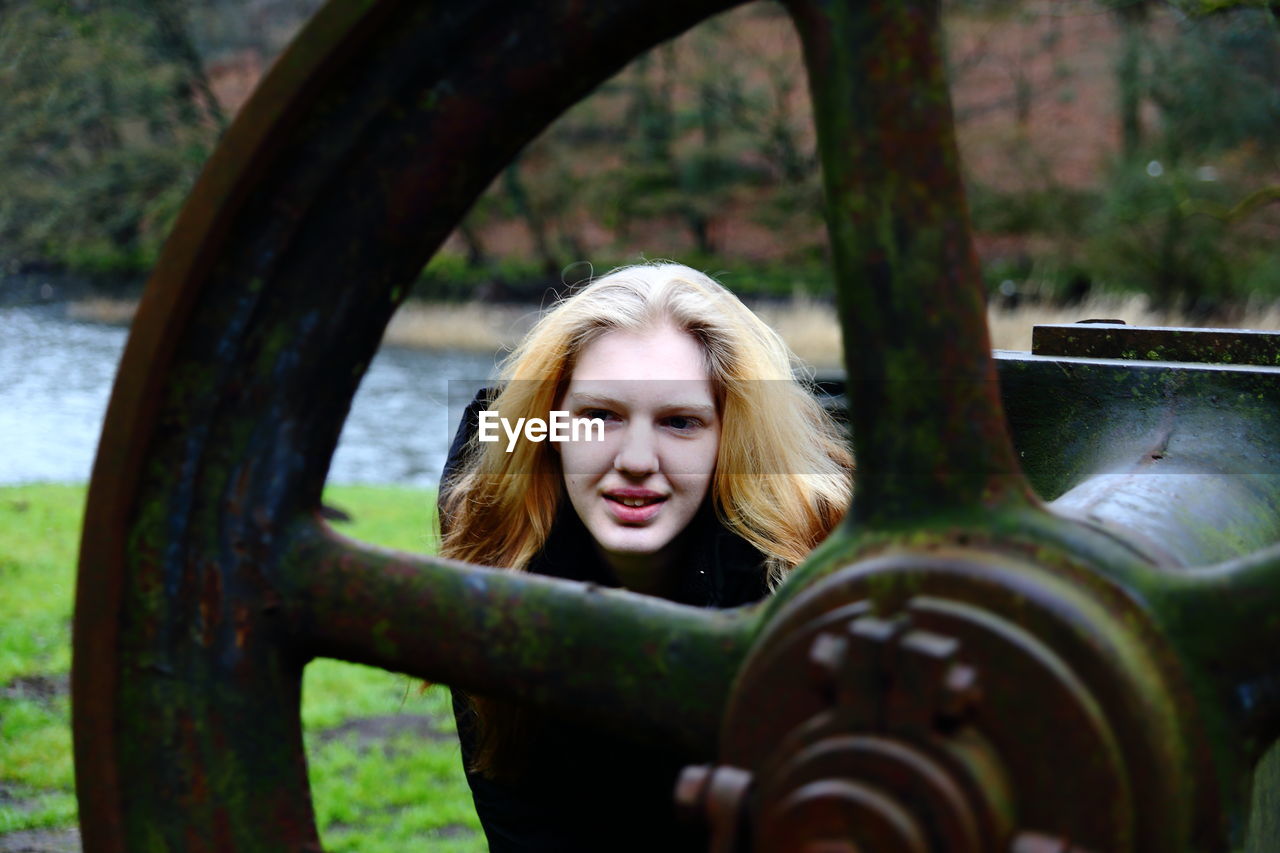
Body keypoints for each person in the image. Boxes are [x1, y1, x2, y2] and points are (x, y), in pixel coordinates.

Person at [437, 261, 852, 851]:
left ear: (728, 436)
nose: (635, 458)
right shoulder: (494, 531)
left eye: (680, 422)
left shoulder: (804, 559)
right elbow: (516, 804)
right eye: (599, 416)